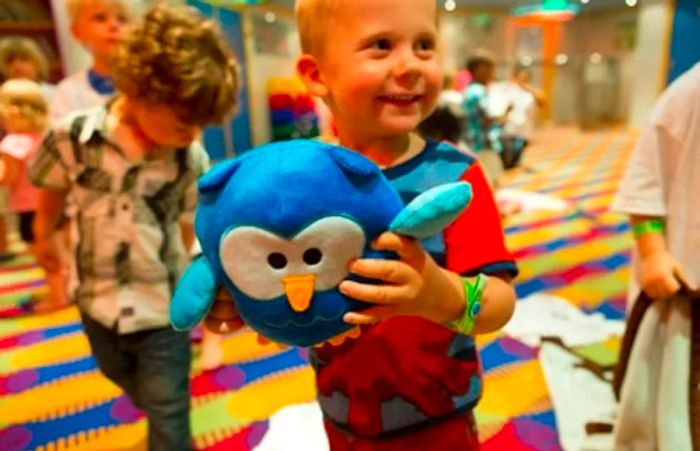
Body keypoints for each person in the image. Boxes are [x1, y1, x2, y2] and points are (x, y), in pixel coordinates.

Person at [208, 0, 518, 448]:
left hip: (440, 418)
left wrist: (439, 294)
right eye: (381, 46)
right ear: (316, 75)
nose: (410, 63)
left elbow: (501, 303)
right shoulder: (298, 182)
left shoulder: (456, 177)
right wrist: (242, 300)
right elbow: (275, 263)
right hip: (343, 413)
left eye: (425, 45)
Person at [28, 4, 240, 449]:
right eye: (185, 122)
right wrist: (45, 234)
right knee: (120, 376)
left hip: (159, 308)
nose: (193, 133)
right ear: (140, 90)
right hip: (97, 299)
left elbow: (190, 228)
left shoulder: (189, 158)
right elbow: (49, 193)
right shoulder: (72, 138)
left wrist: (199, 283)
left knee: (168, 408)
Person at [611, 63, 700, 450]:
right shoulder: (690, 93)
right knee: (673, 394)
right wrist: (653, 252)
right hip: (686, 284)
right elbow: (646, 182)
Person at [0, 79, 66, 310]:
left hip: (30, 208)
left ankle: (57, 298)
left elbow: (7, 177)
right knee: (61, 250)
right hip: (55, 203)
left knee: (44, 255)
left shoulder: (12, 144)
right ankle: (65, 290)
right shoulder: (48, 137)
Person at [49, 0, 130, 124]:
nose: (114, 25)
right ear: (77, 31)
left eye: (122, 19)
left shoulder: (151, 83)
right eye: (100, 18)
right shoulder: (68, 92)